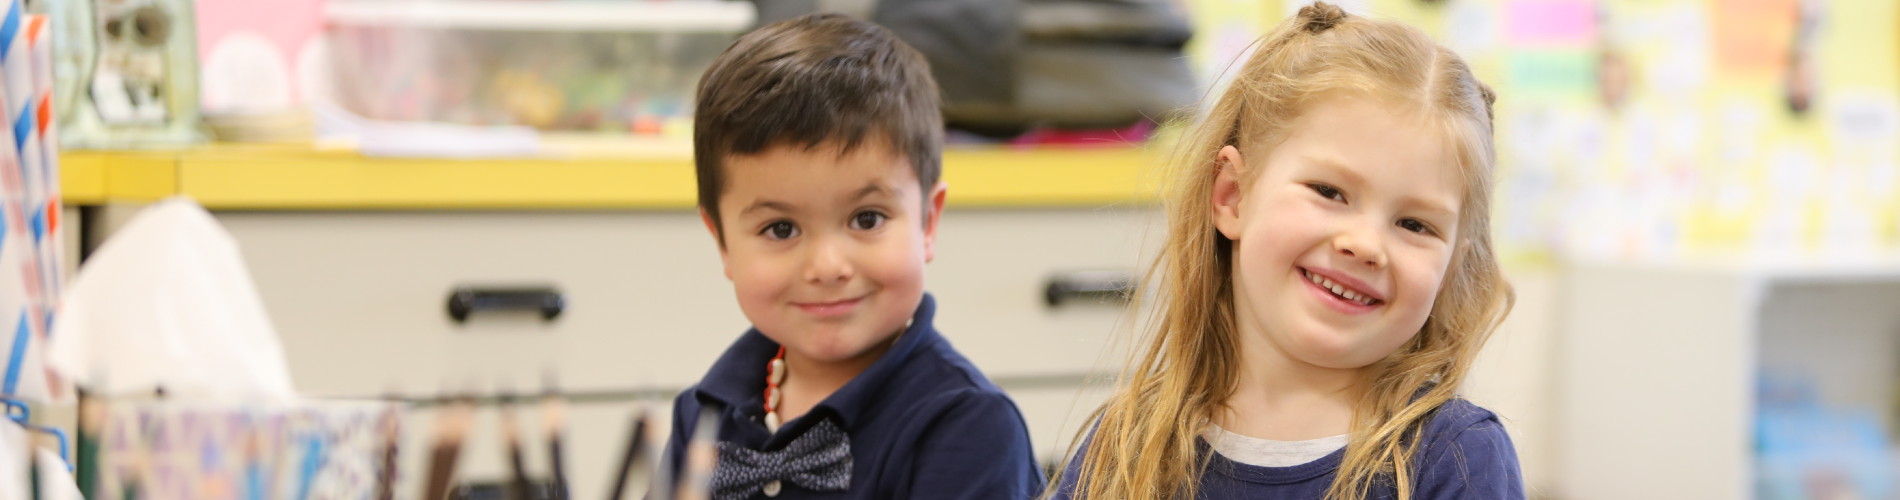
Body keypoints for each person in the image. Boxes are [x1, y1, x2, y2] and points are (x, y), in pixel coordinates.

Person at [1048, 3, 1522, 499]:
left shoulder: (1457, 458)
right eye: (1329, 192)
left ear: (1450, 266)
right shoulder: (1126, 445)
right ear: (1232, 195)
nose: (1365, 246)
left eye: (1414, 224)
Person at [661, 12, 1044, 500]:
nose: (827, 267)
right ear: (722, 243)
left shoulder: (969, 427)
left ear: (928, 221)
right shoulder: (699, 415)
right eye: (781, 229)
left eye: (866, 219)